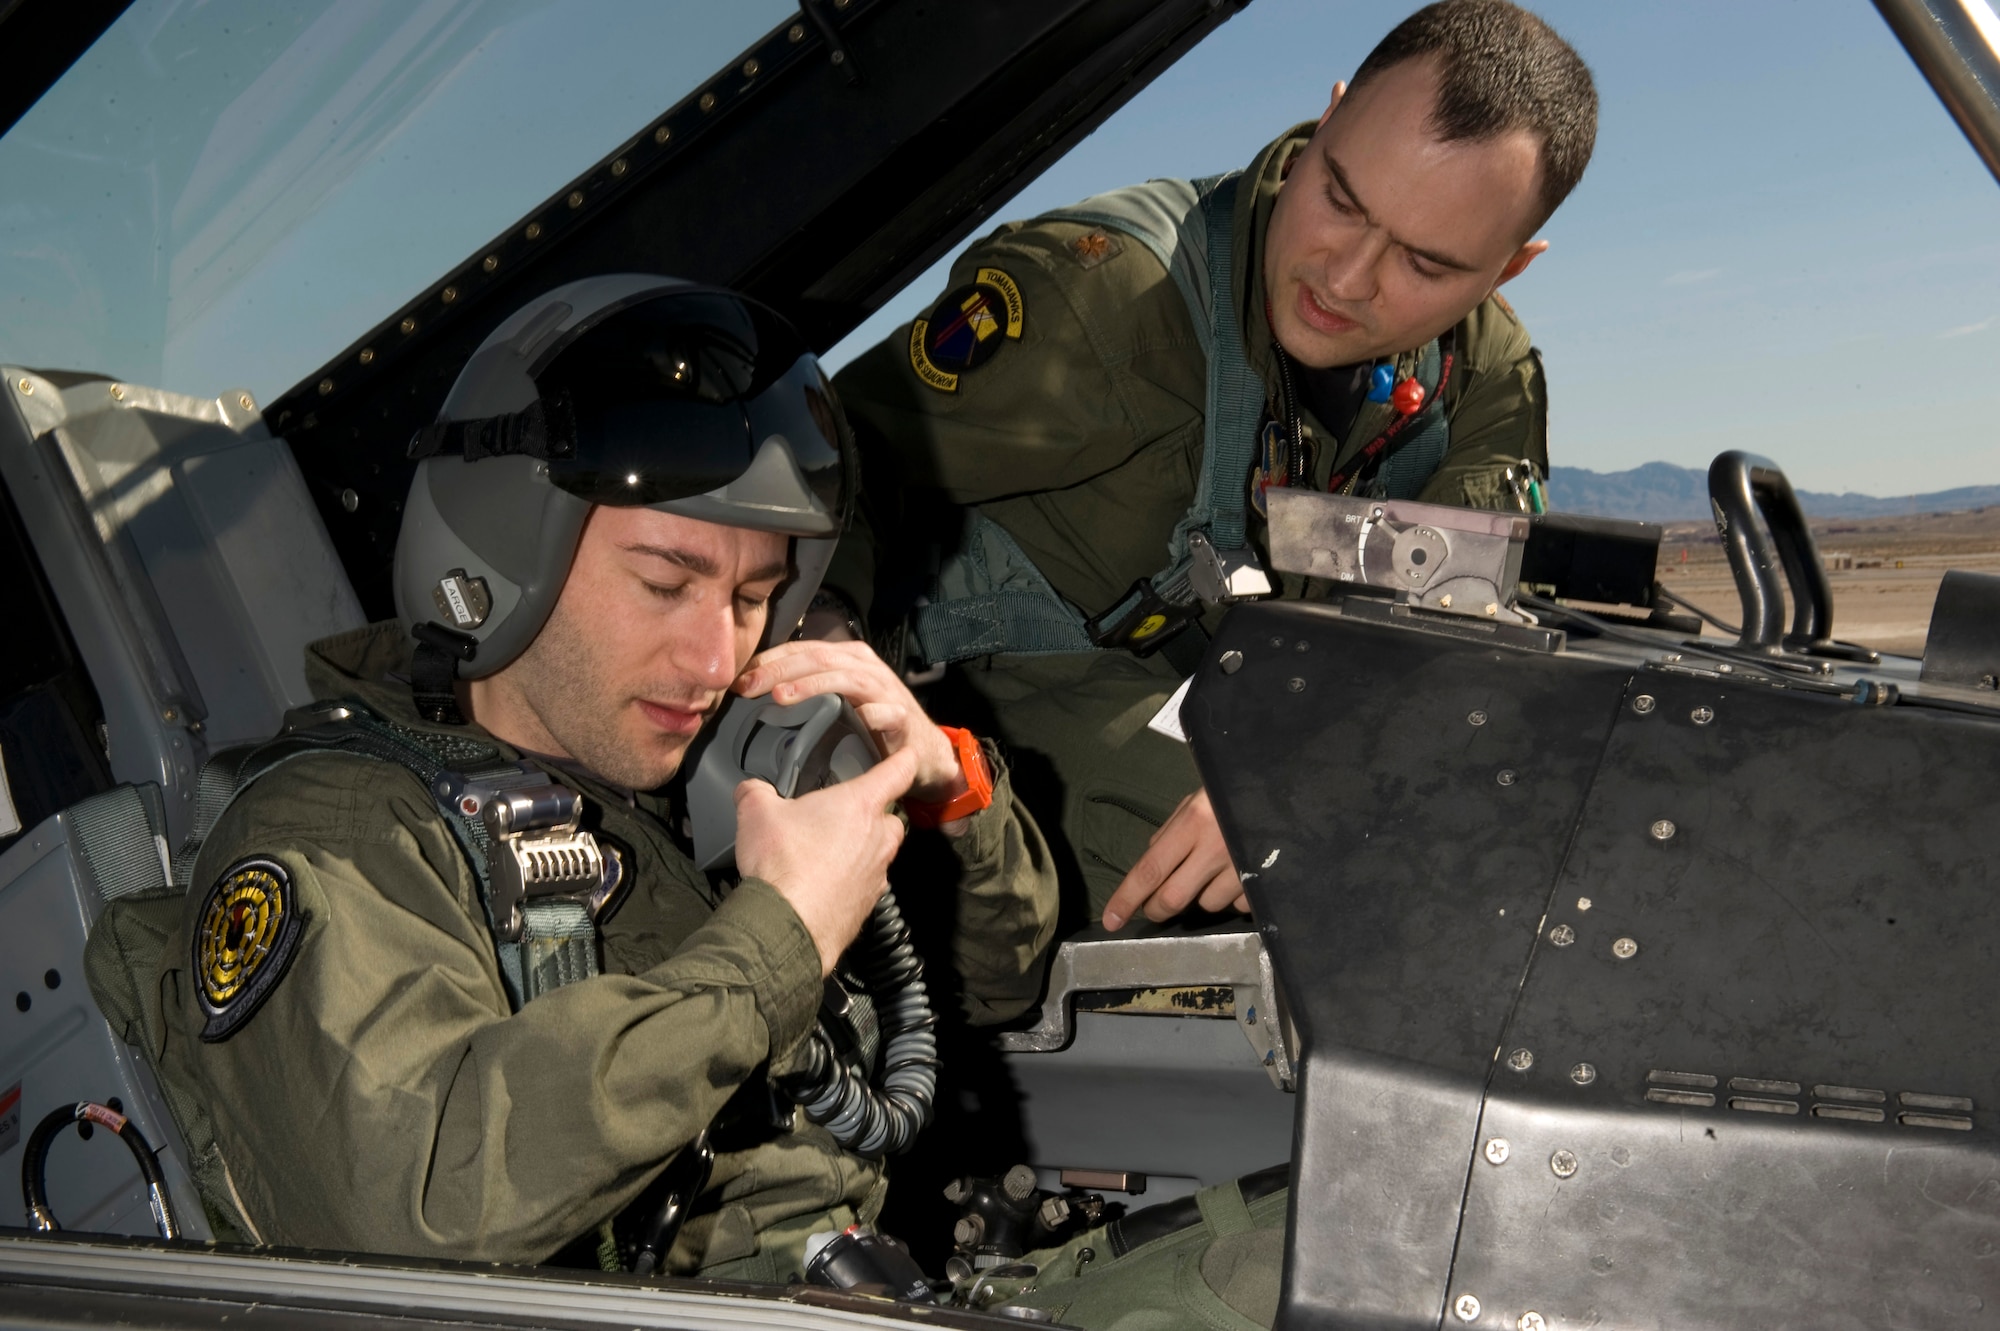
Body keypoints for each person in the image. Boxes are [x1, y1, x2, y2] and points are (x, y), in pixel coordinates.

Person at [84, 276, 1059, 1278]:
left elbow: (993, 984)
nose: (715, 657)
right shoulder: (335, 830)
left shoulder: (710, 768)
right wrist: (777, 939)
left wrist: (941, 791)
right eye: (665, 584)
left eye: (754, 596)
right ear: (502, 557)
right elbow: (418, 1199)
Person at [827, 0, 1597, 935]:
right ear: (1330, 115)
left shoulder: (1479, 377)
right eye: (1341, 199)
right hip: (1002, 679)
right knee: (1330, 867)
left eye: (1425, 265)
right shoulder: (1107, 300)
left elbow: (1459, 633)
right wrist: (839, 687)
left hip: (1243, 692)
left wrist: (1326, 761)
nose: (1344, 279)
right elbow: (829, 469)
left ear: (1508, 268)